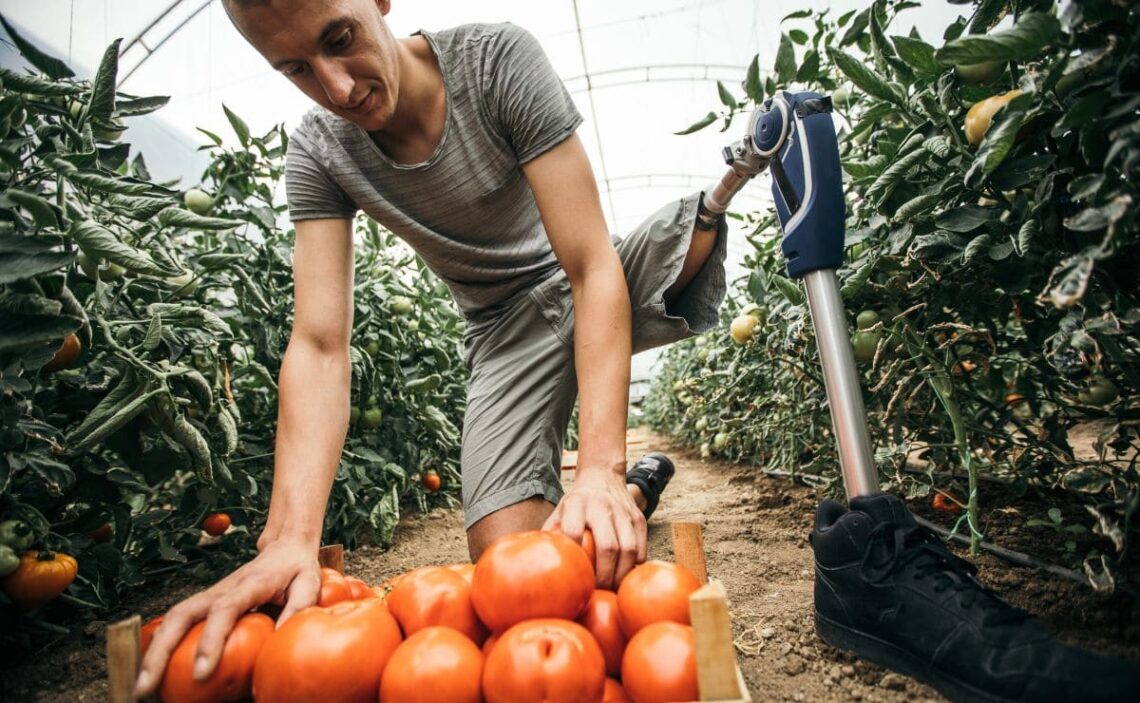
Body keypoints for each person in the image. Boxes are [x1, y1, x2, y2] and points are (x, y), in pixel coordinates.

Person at [135, 0, 728, 695]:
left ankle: (612, 479)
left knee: (689, 235)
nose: (337, 88)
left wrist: (596, 463)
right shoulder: (321, 151)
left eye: (340, 38)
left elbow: (592, 265)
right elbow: (321, 342)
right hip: (504, 329)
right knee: (514, 563)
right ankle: (636, 490)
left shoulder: (497, 62)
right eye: (295, 68)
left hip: (583, 271)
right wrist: (291, 535)